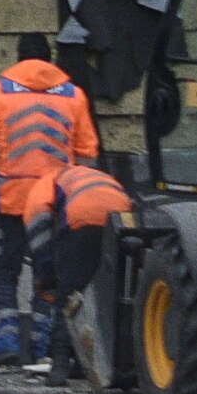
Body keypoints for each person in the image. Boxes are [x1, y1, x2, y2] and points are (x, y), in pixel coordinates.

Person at [0, 45, 92, 367]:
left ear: (18, 58)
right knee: (49, 276)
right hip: (55, 205)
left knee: (4, 274)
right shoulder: (74, 96)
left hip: (11, 203)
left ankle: (5, 344)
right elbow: (88, 153)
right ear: (49, 59)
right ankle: (44, 350)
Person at [34, 153, 132, 380]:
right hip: (122, 219)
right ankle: (94, 363)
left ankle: (59, 366)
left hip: (83, 217)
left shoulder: (44, 183)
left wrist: (46, 277)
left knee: (68, 296)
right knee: (108, 296)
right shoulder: (92, 175)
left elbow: (38, 236)